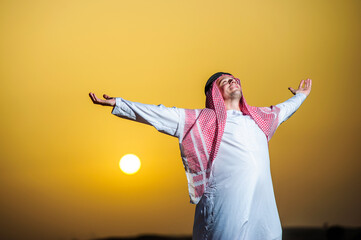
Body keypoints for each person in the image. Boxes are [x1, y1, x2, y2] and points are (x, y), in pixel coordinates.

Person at [89, 72, 312, 240]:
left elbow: (286, 108)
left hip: (262, 206)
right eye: (224, 81)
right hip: (225, 202)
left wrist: (301, 96)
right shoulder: (203, 121)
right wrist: (119, 104)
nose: (232, 81)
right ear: (214, 94)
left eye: (234, 78)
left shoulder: (262, 117)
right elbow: (160, 113)